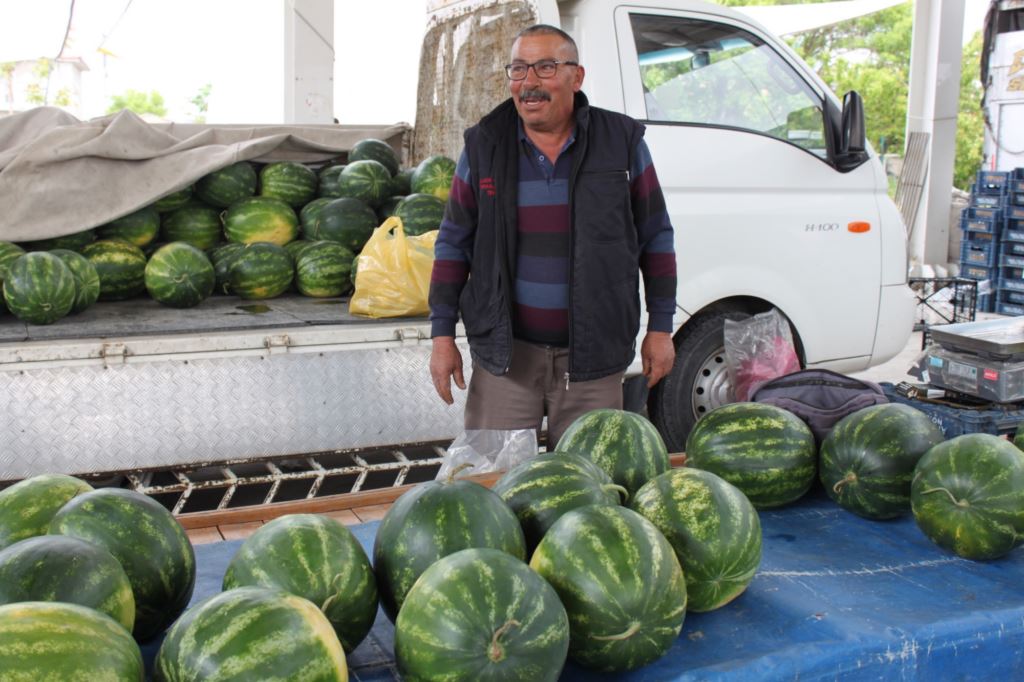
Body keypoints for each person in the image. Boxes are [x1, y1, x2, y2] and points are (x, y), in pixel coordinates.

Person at [428, 23, 677, 447]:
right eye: (519, 69)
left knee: (590, 491)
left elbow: (656, 237)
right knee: (495, 485)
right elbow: (454, 242)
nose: (529, 83)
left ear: (576, 77)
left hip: (593, 359)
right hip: (506, 358)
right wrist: (442, 334)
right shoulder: (484, 145)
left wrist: (661, 327)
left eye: (545, 67)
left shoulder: (621, 141)